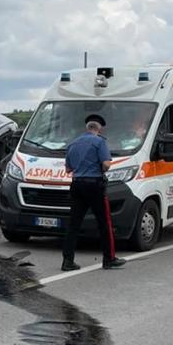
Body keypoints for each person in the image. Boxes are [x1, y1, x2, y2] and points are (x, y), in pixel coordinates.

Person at [61, 114, 125, 271]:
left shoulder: (73, 144)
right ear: (98, 128)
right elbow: (106, 165)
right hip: (94, 186)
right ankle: (109, 259)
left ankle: (67, 261)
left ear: (87, 127)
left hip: (77, 185)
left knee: (74, 224)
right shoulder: (99, 142)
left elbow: (69, 169)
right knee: (104, 223)